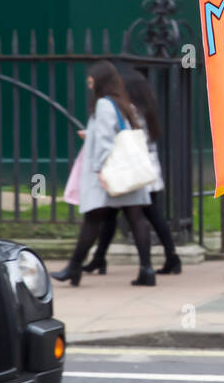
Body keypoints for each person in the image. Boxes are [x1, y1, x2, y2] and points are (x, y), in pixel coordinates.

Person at [51, 61, 155, 287]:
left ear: (100, 81)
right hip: (127, 172)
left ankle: (74, 267)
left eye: (91, 81)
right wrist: (91, 133)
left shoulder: (104, 105)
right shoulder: (122, 103)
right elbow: (118, 132)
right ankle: (147, 270)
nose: (89, 85)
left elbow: (107, 139)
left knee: (92, 219)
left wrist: (99, 169)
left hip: (110, 172)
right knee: (136, 219)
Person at [81, 71, 182, 276]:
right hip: (145, 170)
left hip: (133, 172)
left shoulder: (131, 110)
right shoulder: (147, 109)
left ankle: (163, 260)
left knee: (139, 217)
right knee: (134, 216)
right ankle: (100, 258)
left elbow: (121, 137)